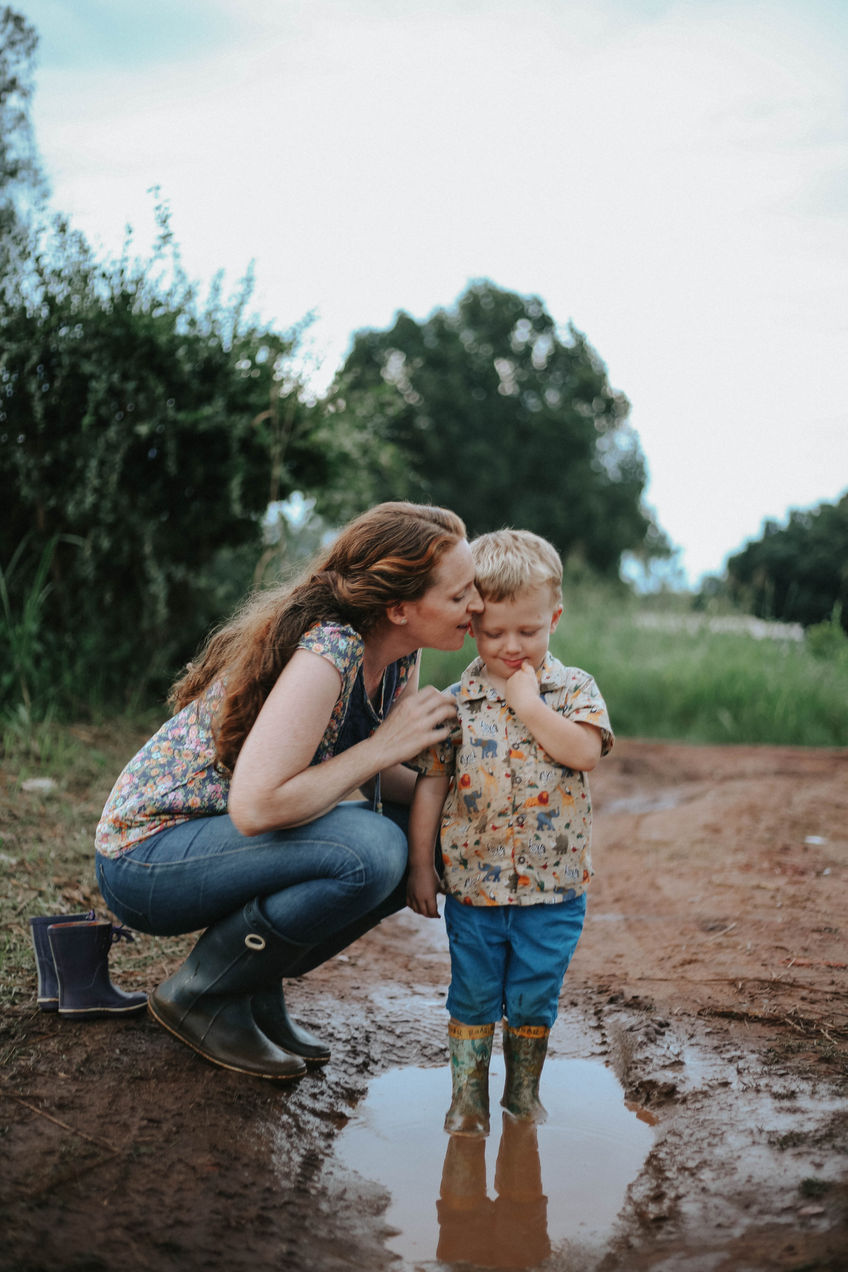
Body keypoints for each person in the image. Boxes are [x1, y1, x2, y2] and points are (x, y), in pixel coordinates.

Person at [94, 501, 483, 1081]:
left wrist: (469, 804)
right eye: (459, 596)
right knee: (370, 849)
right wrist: (385, 745)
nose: (476, 605)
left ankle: (251, 986)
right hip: (146, 858)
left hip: (219, 845)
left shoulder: (399, 656)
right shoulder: (328, 650)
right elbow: (257, 806)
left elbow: (386, 781)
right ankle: (202, 995)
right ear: (399, 607)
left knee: (428, 835)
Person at [406, 529, 613, 1134]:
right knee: (471, 995)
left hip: (554, 890)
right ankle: (466, 1101)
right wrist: (422, 864)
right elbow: (432, 786)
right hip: (473, 889)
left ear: (554, 617)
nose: (512, 647)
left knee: (532, 998)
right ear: (472, 626)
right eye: (495, 633)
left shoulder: (573, 690)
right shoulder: (455, 703)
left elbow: (585, 753)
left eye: (528, 631)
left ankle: (523, 1096)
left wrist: (530, 705)